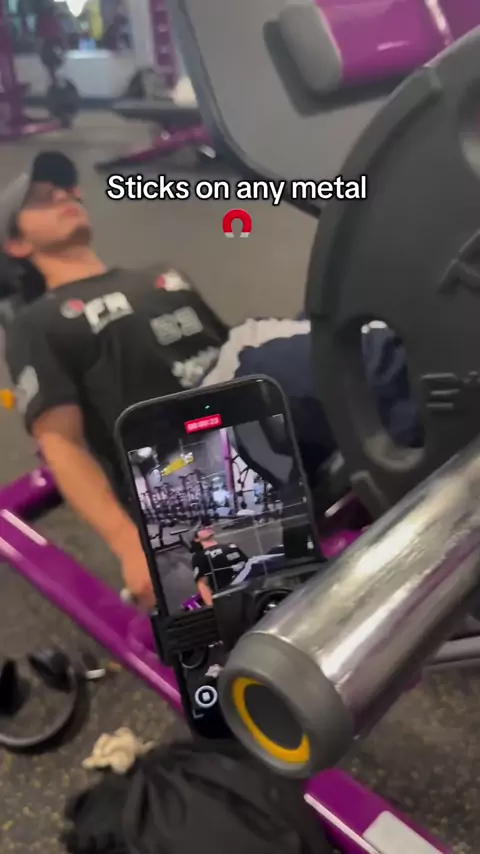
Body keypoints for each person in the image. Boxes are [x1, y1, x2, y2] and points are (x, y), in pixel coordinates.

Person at [0, 151, 421, 607]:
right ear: (17, 244)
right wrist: (129, 545)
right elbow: (60, 443)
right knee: (284, 348)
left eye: (65, 190)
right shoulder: (36, 322)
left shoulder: (160, 274)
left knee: (351, 303)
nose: (63, 197)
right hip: (178, 458)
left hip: (239, 401)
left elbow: (238, 354)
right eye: (42, 199)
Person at [190, 520, 248, 606]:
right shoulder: (200, 556)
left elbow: (248, 565)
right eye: (201, 528)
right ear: (196, 539)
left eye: (207, 525)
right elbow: (202, 584)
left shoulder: (231, 546)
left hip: (247, 589)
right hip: (228, 595)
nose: (207, 527)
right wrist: (212, 606)